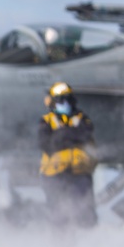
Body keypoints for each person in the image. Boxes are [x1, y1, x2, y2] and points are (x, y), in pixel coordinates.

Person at [38, 81, 98, 227]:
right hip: (54, 175)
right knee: (59, 216)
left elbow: (85, 133)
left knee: (85, 215)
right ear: (52, 102)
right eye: (60, 100)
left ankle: (88, 245)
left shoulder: (82, 118)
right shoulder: (46, 121)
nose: (65, 103)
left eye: (67, 99)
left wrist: (61, 135)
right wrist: (70, 135)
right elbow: (47, 144)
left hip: (79, 174)